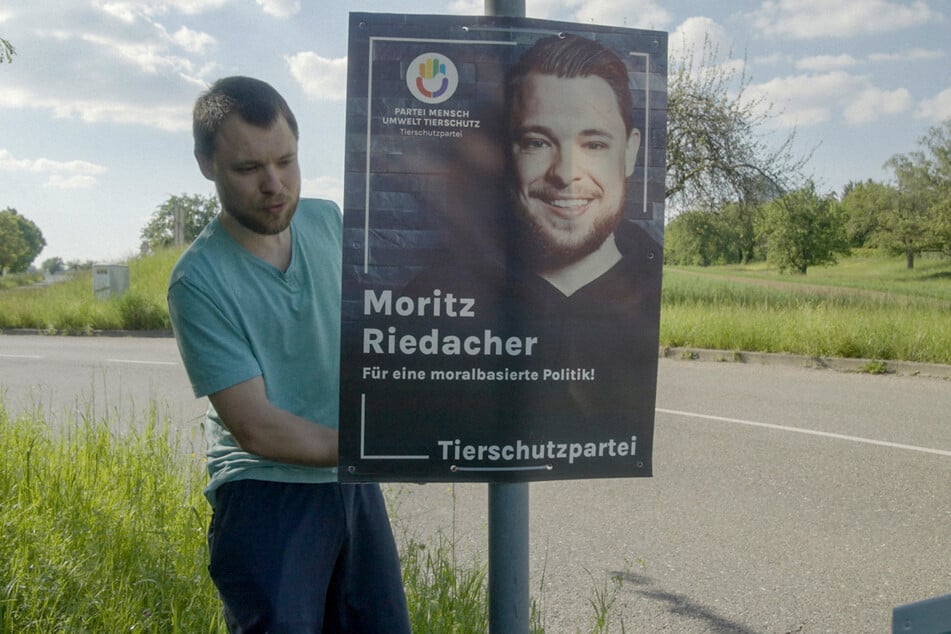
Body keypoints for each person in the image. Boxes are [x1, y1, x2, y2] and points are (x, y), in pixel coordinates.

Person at [346, 34, 661, 480]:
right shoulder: (425, 306)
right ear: (503, 155)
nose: (566, 174)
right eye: (537, 142)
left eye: (594, 144)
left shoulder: (651, 290)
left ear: (629, 151)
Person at [167, 76, 410, 632]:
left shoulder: (327, 220)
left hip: (351, 481)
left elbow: (388, 325)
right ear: (206, 164)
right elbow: (258, 430)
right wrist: (381, 448)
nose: (274, 184)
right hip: (264, 495)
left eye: (286, 160)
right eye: (248, 169)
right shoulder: (197, 281)